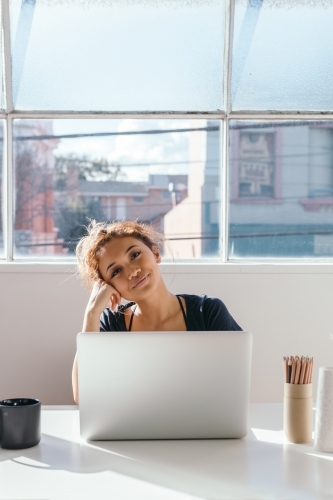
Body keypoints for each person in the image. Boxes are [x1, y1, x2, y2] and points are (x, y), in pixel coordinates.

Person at [72, 220, 242, 403]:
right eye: (115, 271)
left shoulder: (207, 311)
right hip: (133, 429)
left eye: (135, 254)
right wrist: (92, 314)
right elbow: (82, 395)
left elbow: (235, 382)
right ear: (109, 286)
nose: (131, 272)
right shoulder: (111, 323)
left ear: (155, 253)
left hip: (202, 427)